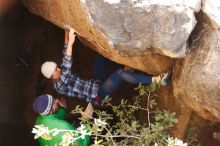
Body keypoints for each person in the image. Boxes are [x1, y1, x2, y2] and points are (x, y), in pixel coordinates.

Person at [41, 29, 171, 105]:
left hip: (96, 83)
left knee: (99, 57)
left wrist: (66, 32)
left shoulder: (58, 74)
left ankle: (127, 66)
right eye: (56, 70)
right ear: (52, 77)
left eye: (57, 67)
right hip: (99, 95)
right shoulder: (59, 86)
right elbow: (67, 63)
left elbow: (65, 54)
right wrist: (71, 43)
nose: (59, 69)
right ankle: (159, 80)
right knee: (120, 74)